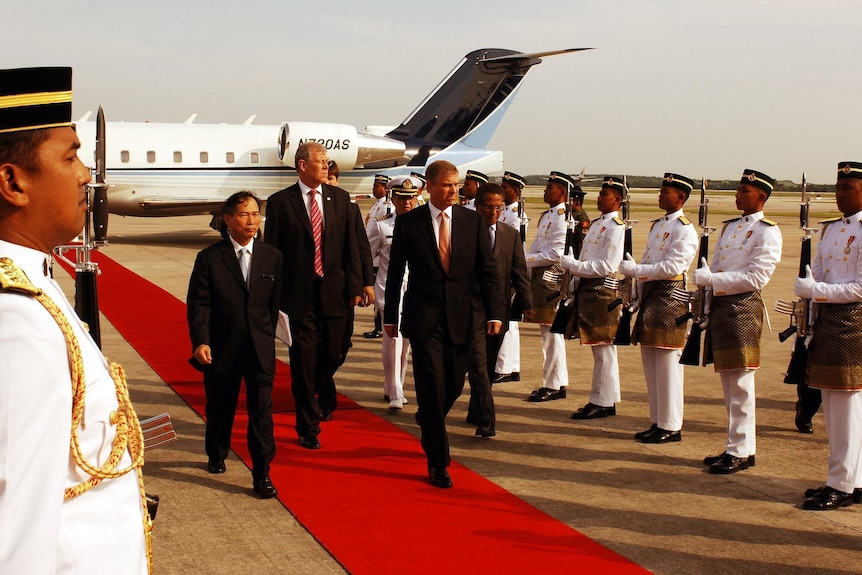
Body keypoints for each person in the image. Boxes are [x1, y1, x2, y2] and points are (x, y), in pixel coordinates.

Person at [0, 67, 149, 573]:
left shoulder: (32, 282)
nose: (87, 174)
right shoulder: (16, 321)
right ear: (12, 182)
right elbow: (14, 535)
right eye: (70, 156)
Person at [384, 160, 502, 488]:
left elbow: (488, 271)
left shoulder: (472, 222)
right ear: (430, 187)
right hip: (424, 320)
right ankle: (438, 462)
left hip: (464, 318)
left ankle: (429, 419)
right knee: (430, 388)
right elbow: (395, 274)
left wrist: (495, 313)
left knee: (453, 384)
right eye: (447, 185)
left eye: (456, 184)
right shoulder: (409, 224)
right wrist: (391, 316)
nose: (454, 190)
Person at [264, 141, 366, 449]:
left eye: (327, 161)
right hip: (298, 297)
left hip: (335, 292)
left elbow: (353, 246)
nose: (326, 165)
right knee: (303, 362)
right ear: (302, 165)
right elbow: (273, 253)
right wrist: (272, 297)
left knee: (335, 352)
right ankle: (307, 426)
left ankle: (315, 389)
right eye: (320, 161)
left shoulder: (341, 199)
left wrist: (360, 285)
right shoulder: (281, 202)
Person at [187, 192, 282, 497]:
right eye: (244, 214)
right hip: (221, 348)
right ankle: (216, 452)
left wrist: (265, 334)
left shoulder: (272, 257)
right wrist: (201, 340)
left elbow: (274, 305)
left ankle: (262, 473)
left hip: (259, 349)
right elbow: (199, 304)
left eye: (256, 214)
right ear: (227, 219)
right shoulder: (210, 259)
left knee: (261, 414)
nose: (251, 220)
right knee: (220, 407)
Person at [693, 169, 782, 474]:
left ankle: (741, 450)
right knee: (729, 383)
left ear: (762, 196)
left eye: (745, 191)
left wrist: (713, 279)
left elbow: (756, 277)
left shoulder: (767, 231)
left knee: (741, 383)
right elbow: (716, 262)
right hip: (720, 306)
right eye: (738, 190)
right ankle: (737, 445)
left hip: (742, 309)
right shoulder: (730, 228)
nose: (738, 195)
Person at [796, 161, 862, 509]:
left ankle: (841, 483)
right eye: (837, 188)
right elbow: (818, 269)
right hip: (828, 322)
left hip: (853, 323)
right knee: (836, 405)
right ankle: (854, 478)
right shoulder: (832, 230)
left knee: (846, 407)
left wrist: (817, 291)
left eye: (847, 189)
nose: (839, 195)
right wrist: (810, 287)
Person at [619, 173, 698, 442]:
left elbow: (674, 268)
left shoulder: (684, 229)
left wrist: (638, 271)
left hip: (670, 297)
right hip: (652, 296)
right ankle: (657, 420)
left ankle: (671, 424)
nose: (661, 195)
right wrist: (637, 293)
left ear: (681, 197)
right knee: (651, 363)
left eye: (666, 191)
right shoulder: (657, 226)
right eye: (661, 190)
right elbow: (649, 259)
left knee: (668, 365)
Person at [467, 183, 534, 436]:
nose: (493, 212)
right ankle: (487, 420)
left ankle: (476, 410)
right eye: (488, 207)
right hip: (471, 309)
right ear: (478, 205)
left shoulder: (509, 234)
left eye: (498, 207)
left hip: (499, 311)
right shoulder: (466, 232)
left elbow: (519, 272)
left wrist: (526, 304)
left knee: (488, 364)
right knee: (477, 364)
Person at [562, 177, 626, 419]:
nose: (599, 198)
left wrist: (576, 266)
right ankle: (603, 398)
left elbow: (607, 265)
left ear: (618, 200)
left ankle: (602, 401)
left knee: (603, 349)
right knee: (600, 350)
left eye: (605, 194)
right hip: (590, 289)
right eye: (600, 193)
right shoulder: (600, 223)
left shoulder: (616, 227)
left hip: (602, 290)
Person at [367, 176, 421, 409]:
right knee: (393, 337)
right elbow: (366, 255)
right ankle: (395, 390)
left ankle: (394, 386)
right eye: (401, 198)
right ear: (393, 198)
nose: (406, 203)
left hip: (416, 287)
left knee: (407, 341)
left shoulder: (423, 225)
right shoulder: (382, 225)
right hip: (389, 286)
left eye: (410, 198)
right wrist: (364, 284)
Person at [524, 172, 573, 402]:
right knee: (549, 334)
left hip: (552, 279)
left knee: (552, 334)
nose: (545, 191)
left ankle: (553, 384)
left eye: (550, 188)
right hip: (540, 278)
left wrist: (528, 260)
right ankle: (556, 381)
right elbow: (536, 245)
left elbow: (556, 253)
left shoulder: (563, 218)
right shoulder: (547, 216)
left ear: (562, 193)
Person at [493, 171, 527, 383]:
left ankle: (505, 366)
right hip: (502, 270)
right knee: (510, 322)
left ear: (515, 191)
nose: (502, 190)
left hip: (506, 272)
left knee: (508, 321)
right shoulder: (505, 212)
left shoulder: (516, 215)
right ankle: (510, 366)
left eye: (505, 188)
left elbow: (511, 247)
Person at [362, 173, 391, 338]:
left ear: (385, 188)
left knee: (381, 294)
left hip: (380, 256)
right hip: (372, 253)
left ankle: (380, 327)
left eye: (376, 186)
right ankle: (377, 326)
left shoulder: (387, 207)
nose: (373, 189)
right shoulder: (375, 205)